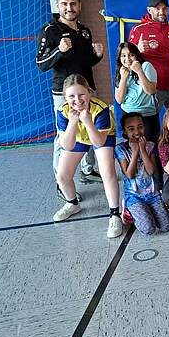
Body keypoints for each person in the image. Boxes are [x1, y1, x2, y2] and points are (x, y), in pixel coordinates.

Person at [36, 0, 104, 197]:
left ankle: (87, 169)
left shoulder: (84, 31)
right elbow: (41, 63)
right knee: (64, 135)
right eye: (64, 4)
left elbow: (85, 62)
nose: (69, 8)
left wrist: (97, 56)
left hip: (86, 90)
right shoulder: (49, 30)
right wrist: (58, 50)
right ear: (58, 6)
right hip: (63, 93)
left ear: (79, 6)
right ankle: (61, 181)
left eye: (73, 4)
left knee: (88, 127)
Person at [52, 74, 121, 238]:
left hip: (99, 135)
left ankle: (114, 214)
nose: (77, 99)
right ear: (65, 97)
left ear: (89, 92)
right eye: (71, 96)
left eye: (81, 94)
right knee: (62, 176)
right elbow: (67, 145)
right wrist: (73, 122)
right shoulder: (63, 112)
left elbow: (98, 141)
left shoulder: (101, 109)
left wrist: (88, 121)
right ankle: (72, 203)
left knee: (108, 173)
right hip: (77, 136)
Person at [128, 0, 169, 112]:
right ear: (149, 10)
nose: (161, 11)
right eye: (157, 8)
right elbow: (128, 60)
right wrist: (137, 50)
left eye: (164, 8)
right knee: (151, 122)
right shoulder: (138, 29)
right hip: (153, 87)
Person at [115, 113, 169, 235]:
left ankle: (148, 210)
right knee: (148, 229)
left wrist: (142, 150)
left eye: (140, 127)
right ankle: (128, 212)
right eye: (131, 129)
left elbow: (151, 171)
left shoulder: (150, 145)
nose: (137, 131)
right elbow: (129, 174)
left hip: (152, 194)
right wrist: (135, 152)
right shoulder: (120, 149)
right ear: (124, 131)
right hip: (134, 196)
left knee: (166, 226)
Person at [114, 42, 159, 144]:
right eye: (123, 56)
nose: (127, 59)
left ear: (136, 55)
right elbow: (119, 100)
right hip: (128, 113)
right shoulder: (120, 72)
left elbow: (151, 91)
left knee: (150, 147)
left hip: (147, 114)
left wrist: (139, 72)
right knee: (133, 146)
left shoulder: (146, 66)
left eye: (131, 55)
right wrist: (124, 79)